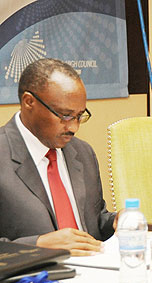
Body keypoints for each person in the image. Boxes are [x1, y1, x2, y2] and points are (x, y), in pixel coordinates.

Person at [0, 58, 118, 256]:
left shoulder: (82, 153)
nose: (74, 127)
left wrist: (114, 222)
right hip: (33, 281)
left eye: (80, 116)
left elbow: (94, 222)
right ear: (29, 102)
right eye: (64, 115)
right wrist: (37, 246)